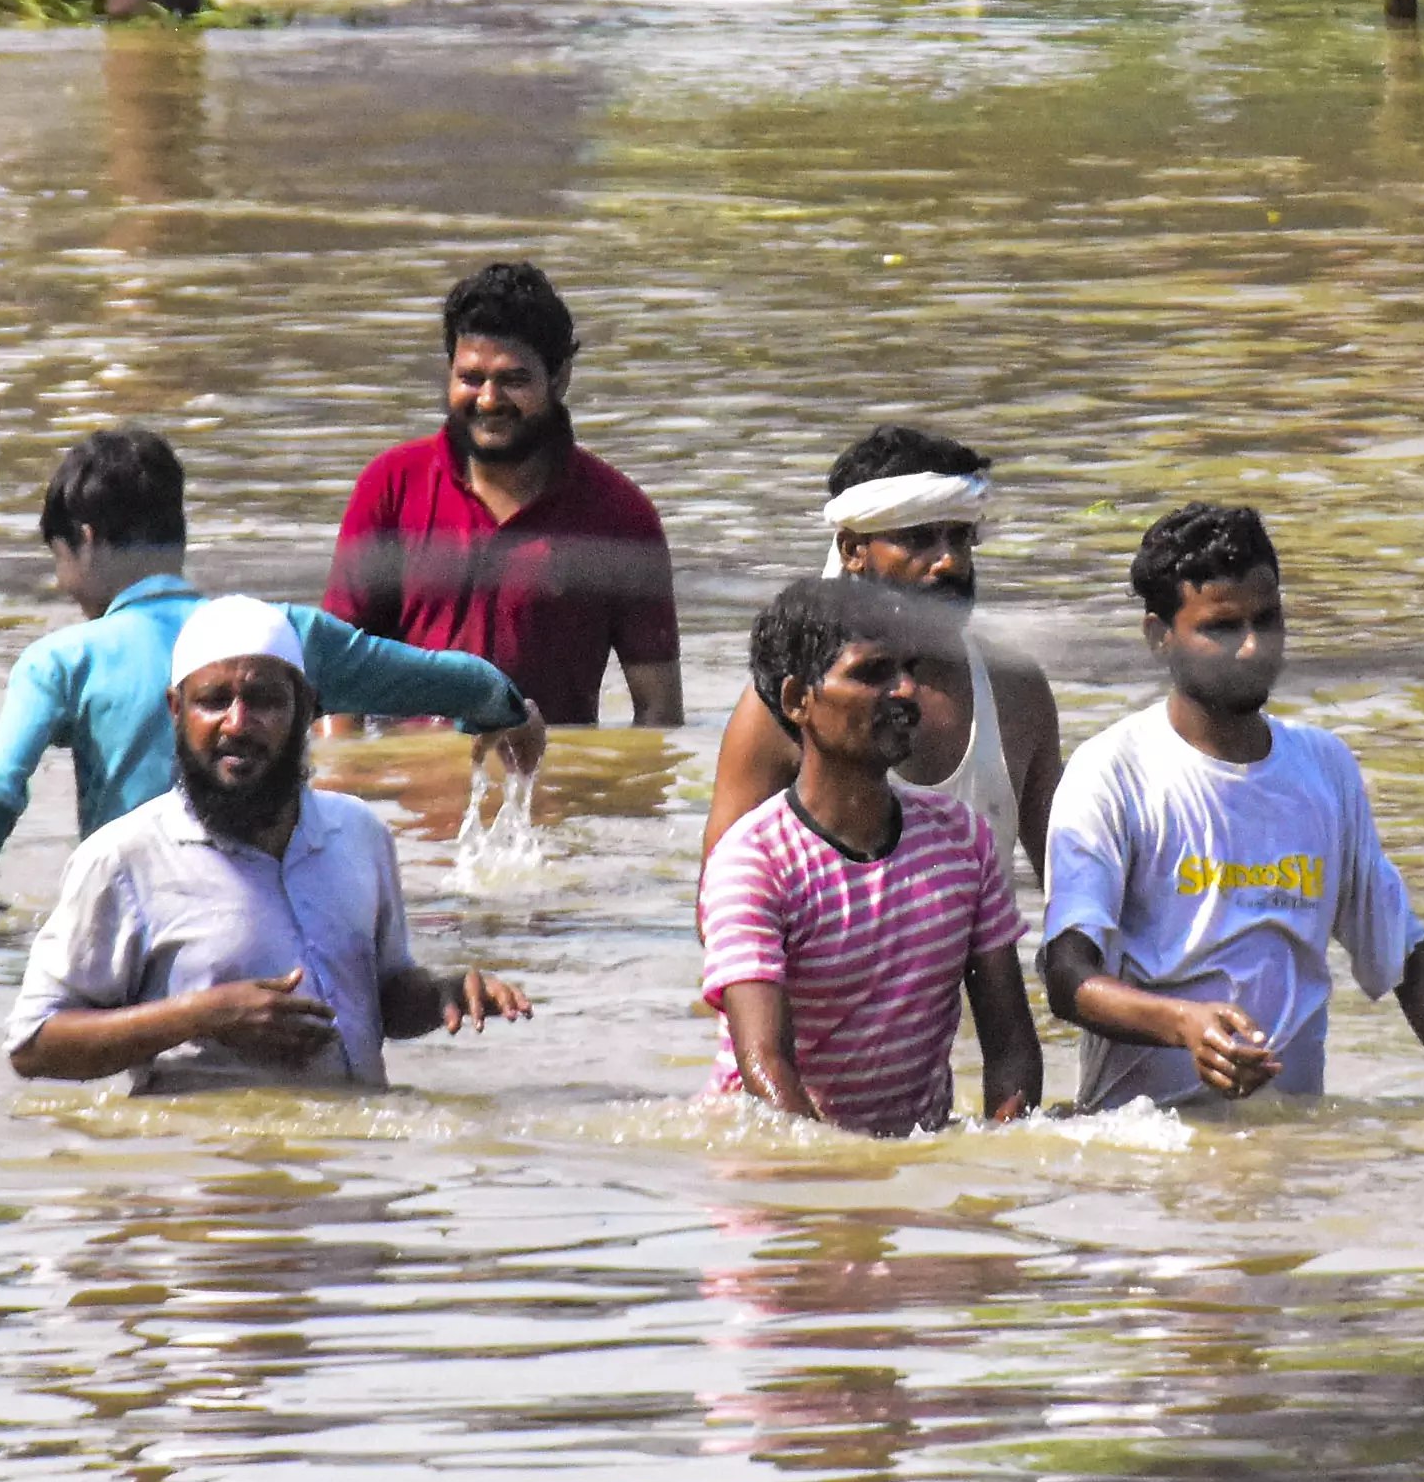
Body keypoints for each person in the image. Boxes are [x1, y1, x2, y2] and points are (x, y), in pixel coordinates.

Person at [0, 425, 543, 911]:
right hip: (272, 905)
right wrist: (507, 710)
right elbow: (457, 680)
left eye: (59, 558)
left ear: (86, 539)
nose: (62, 582)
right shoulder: (284, 636)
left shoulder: (62, 659)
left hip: (134, 909)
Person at [1038, 502, 1424, 1113]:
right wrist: (1182, 1024)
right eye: (1223, 628)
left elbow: (1408, 961)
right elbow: (1067, 975)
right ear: (1159, 637)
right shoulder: (1112, 771)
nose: (1254, 647)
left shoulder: (1324, 767)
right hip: (1148, 1154)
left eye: (1269, 618)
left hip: (1295, 1145)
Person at [7, 597, 531, 1091]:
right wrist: (200, 1015)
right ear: (175, 710)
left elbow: (381, 994)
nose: (238, 724)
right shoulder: (124, 858)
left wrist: (443, 995)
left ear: (306, 707)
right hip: (203, 1170)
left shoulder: (358, 834)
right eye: (213, 702)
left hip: (356, 1169)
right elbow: (34, 1044)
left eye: (264, 701)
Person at [700, 577, 1038, 1135]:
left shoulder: (962, 840)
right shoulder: (753, 861)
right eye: (872, 673)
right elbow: (765, 1068)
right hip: (773, 1167)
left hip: (906, 1159)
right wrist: (842, 1182)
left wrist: (996, 1163)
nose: (905, 691)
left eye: (910, 669)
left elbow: (1011, 1047)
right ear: (796, 700)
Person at [321, 261, 681, 728]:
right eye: (471, 378)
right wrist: (354, 786)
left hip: (550, 787)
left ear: (559, 378)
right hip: (410, 792)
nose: (489, 400)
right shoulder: (390, 487)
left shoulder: (621, 517)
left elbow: (658, 712)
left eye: (513, 380)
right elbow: (335, 676)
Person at [699, 423, 1063, 876]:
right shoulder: (786, 703)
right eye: (917, 539)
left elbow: (1066, 881)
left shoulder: (1014, 688)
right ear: (853, 550)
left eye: (959, 537)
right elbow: (722, 900)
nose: (948, 560)